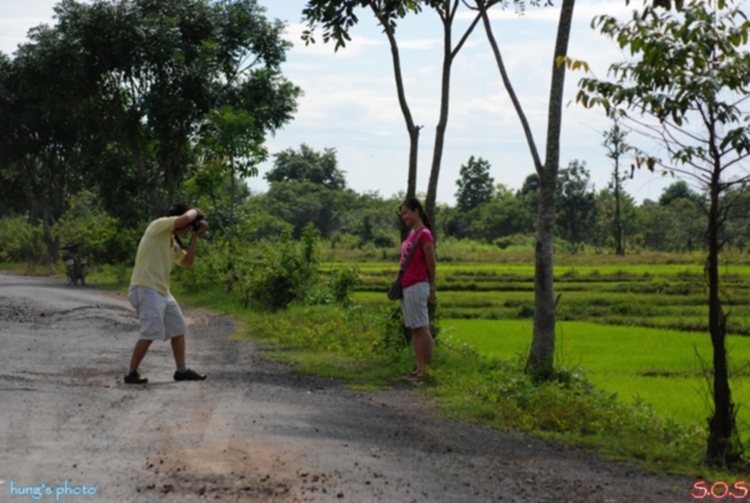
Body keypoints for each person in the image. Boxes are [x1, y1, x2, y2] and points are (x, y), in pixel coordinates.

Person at [123, 204, 209, 384]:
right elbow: (185, 218)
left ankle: (181, 370)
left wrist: (195, 236)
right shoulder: (159, 225)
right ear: (179, 221)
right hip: (146, 288)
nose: (187, 228)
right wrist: (196, 212)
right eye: (188, 225)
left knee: (178, 328)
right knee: (149, 332)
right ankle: (131, 373)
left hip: (161, 290)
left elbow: (187, 262)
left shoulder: (172, 241)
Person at [397, 198, 437, 380]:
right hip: (407, 285)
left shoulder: (424, 235)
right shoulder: (412, 234)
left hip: (417, 284)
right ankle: (419, 368)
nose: (404, 216)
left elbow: (431, 264)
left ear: (416, 212)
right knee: (415, 329)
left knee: (422, 327)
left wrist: (432, 287)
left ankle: (426, 370)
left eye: (406, 212)